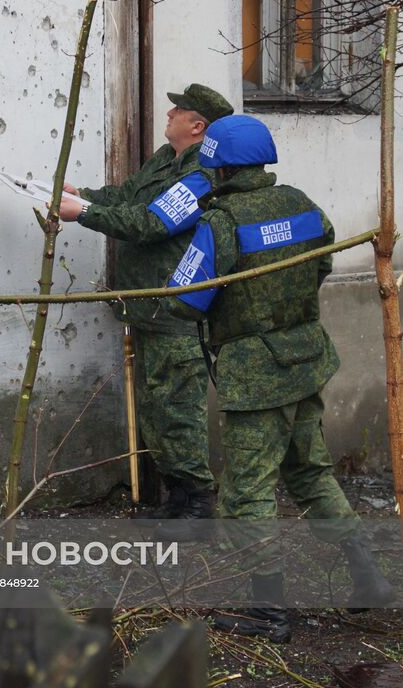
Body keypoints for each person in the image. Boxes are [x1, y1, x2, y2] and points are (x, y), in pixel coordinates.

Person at [167, 114, 395, 642]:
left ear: (219, 168)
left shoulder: (220, 223)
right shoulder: (302, 204)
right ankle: (368, 576)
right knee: (310, 472)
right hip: (306, 362)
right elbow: (322, 266)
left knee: (246, 493)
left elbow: (184, 300)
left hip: (256, 378)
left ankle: (267, 612)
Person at [59, 84, 233, 520]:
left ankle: (198, 504)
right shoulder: (165, 158)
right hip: (149, 308)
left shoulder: (204, 173)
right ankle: (178, 498)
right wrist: (83, 196)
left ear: (198, 126)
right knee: (156, 409)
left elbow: (154, 223)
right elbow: (128, 197)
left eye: (179, 110)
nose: (169, 113)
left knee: (179, 410)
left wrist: (83, 214)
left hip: (176, 313)